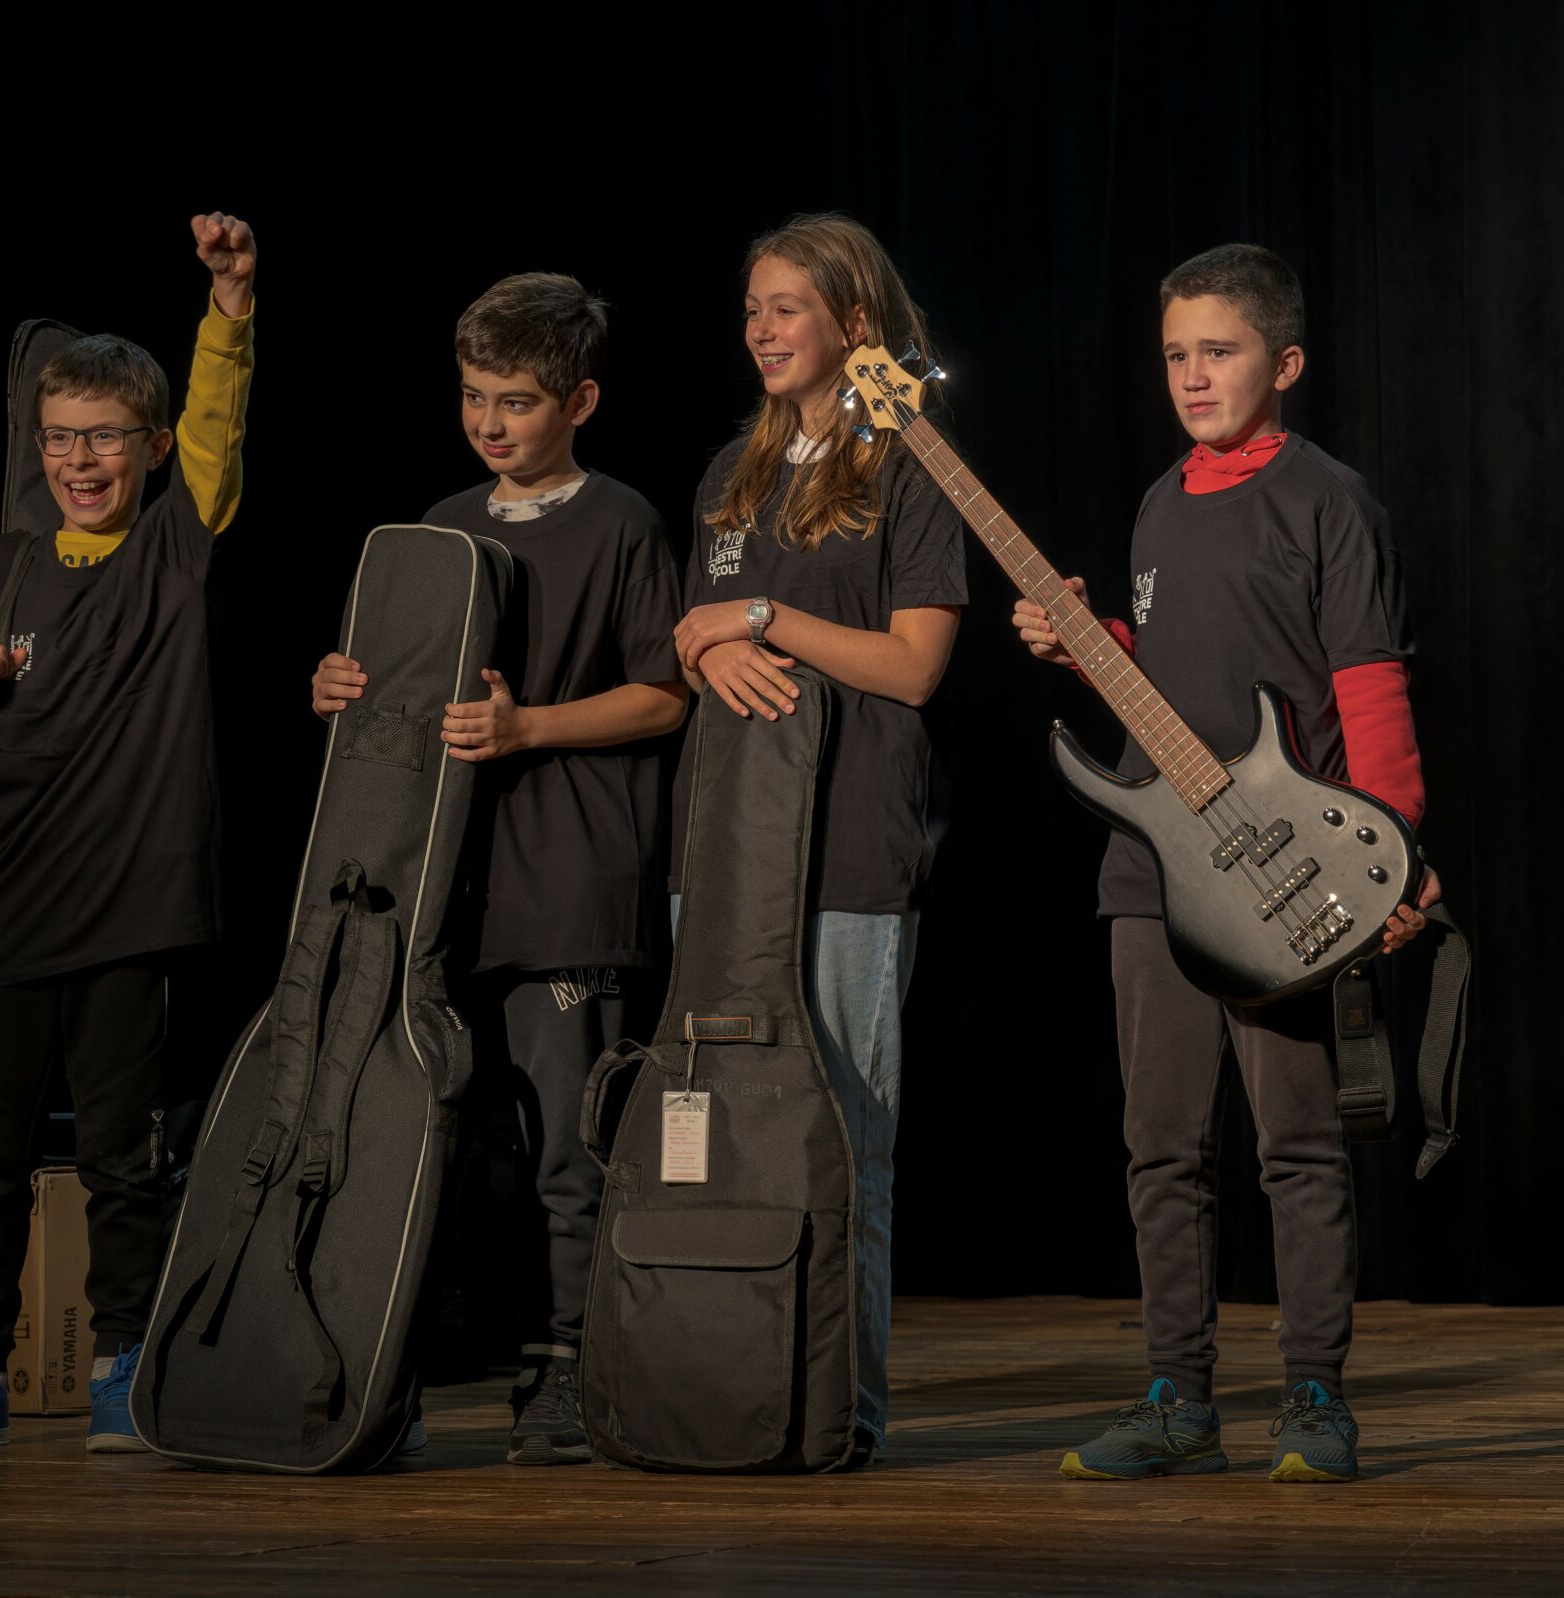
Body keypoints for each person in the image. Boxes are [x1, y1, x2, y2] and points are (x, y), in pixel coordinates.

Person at [1013, 244, 1439, 1483]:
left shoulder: (1327, 500)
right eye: (1176, 356)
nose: (1194, 376)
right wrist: (1080, 639)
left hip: (1290, 876)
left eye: (1221, 351)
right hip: (1153, 875)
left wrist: (1395, 861)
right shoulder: (1157, 502)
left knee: (1296, 1147)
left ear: (1284, 363)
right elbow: (1161, 675)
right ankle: (1175, 1393)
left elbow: (1371, 692)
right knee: (1160, 1144)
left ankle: (1313, 1392)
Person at [0, 214, 259, 1454]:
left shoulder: (170, 550)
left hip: (128, 909)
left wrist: (228, 301)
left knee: (120, 1161)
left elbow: (218, 420)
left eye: (102, 437)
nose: (78, 459)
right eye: (58, 437)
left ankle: (122, 1361)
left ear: (147, 447)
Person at [311, 272, 689, 1465]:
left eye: (516, 401)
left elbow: (664, 692)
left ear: (577, 399)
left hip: (570, 885)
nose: (490, 421)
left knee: (567, 1151)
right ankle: (402, 1362)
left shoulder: (620, 519)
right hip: (442, 886)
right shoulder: (440, 519)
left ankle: (575, 1361)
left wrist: (530, 727)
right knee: (436, 1142)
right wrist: (341, 692)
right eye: (474, 396)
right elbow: (403, 707)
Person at [669, 213, 966, 1468]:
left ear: (855, 321)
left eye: (787, 306)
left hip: (850, 843)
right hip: (729, 851)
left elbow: (912, 667)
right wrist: (704, 639)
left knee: (845, 1132)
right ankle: (722, 1395)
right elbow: (691, 638)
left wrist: (761, 615)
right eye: (752, 308)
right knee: (723, 1133)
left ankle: (837, 1405)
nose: (761, 329)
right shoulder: (730, 475)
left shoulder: (911, 460)